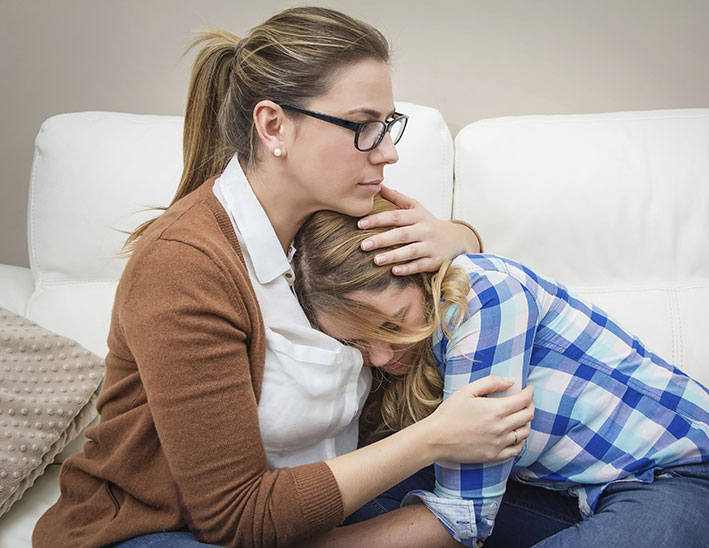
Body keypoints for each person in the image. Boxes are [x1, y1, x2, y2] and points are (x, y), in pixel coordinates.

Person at [32, 7, 535, 548]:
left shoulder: (347, 211)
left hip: (312, 502)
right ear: (273, 126)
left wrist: (459, 236)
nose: (387, 151)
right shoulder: (182, 268)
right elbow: (235, 518)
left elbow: (453, 266)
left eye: (388, 125)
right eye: (363, 126)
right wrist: (433, 440)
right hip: (157, 530)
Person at [292, 195, 709, 548]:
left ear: (423, 277)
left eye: (391, 323)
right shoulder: (398, 353)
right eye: (355, 340)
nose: (378, 357)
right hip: (567, 500)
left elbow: (464, 516)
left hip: (690, 487)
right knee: (359, 491)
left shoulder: (482, 295)